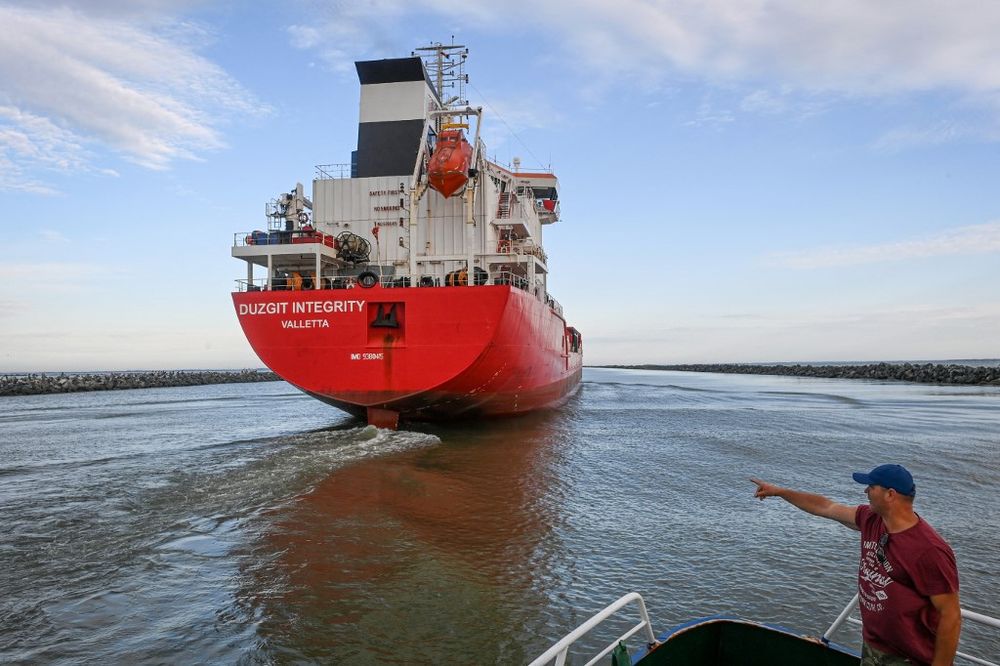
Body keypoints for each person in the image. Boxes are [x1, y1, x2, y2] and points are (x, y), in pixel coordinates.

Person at [751, 465, 960, 666]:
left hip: (907, 658)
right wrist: (779, 492)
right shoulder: (872, 520)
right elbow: (825, 506)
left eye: (871, 487)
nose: (865, 491)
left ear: (890, 495)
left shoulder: (929, 550)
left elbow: (950, 615)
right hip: (873, 646)